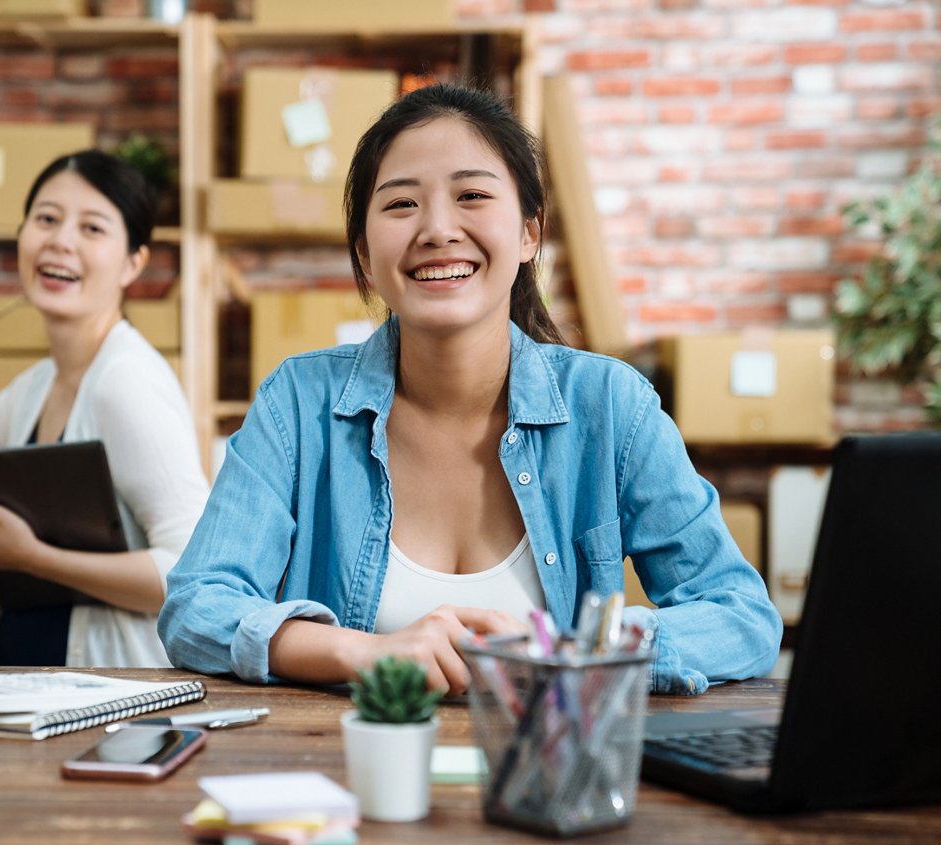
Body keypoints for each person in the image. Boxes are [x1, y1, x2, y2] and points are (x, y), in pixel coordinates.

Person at [158, 84, 782, 696]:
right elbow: (196, 605)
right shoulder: (297, 402)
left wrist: (568, 655)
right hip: (353, 768)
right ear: (366, 256)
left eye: (473, 195)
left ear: (530, 233)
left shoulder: (613, 407)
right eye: (401, 204)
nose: (436, 229)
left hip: (550, 775)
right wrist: (357, 651)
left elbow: (741, 616)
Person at [0, 149, 209, 667]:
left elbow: (192, 577)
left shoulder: (125, 382)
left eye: (92, 228)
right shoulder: (37, 386)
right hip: (27, 687)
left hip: (113, 697)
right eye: (46, 219)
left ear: (133, 262)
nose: (60, 241)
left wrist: (30, 557)